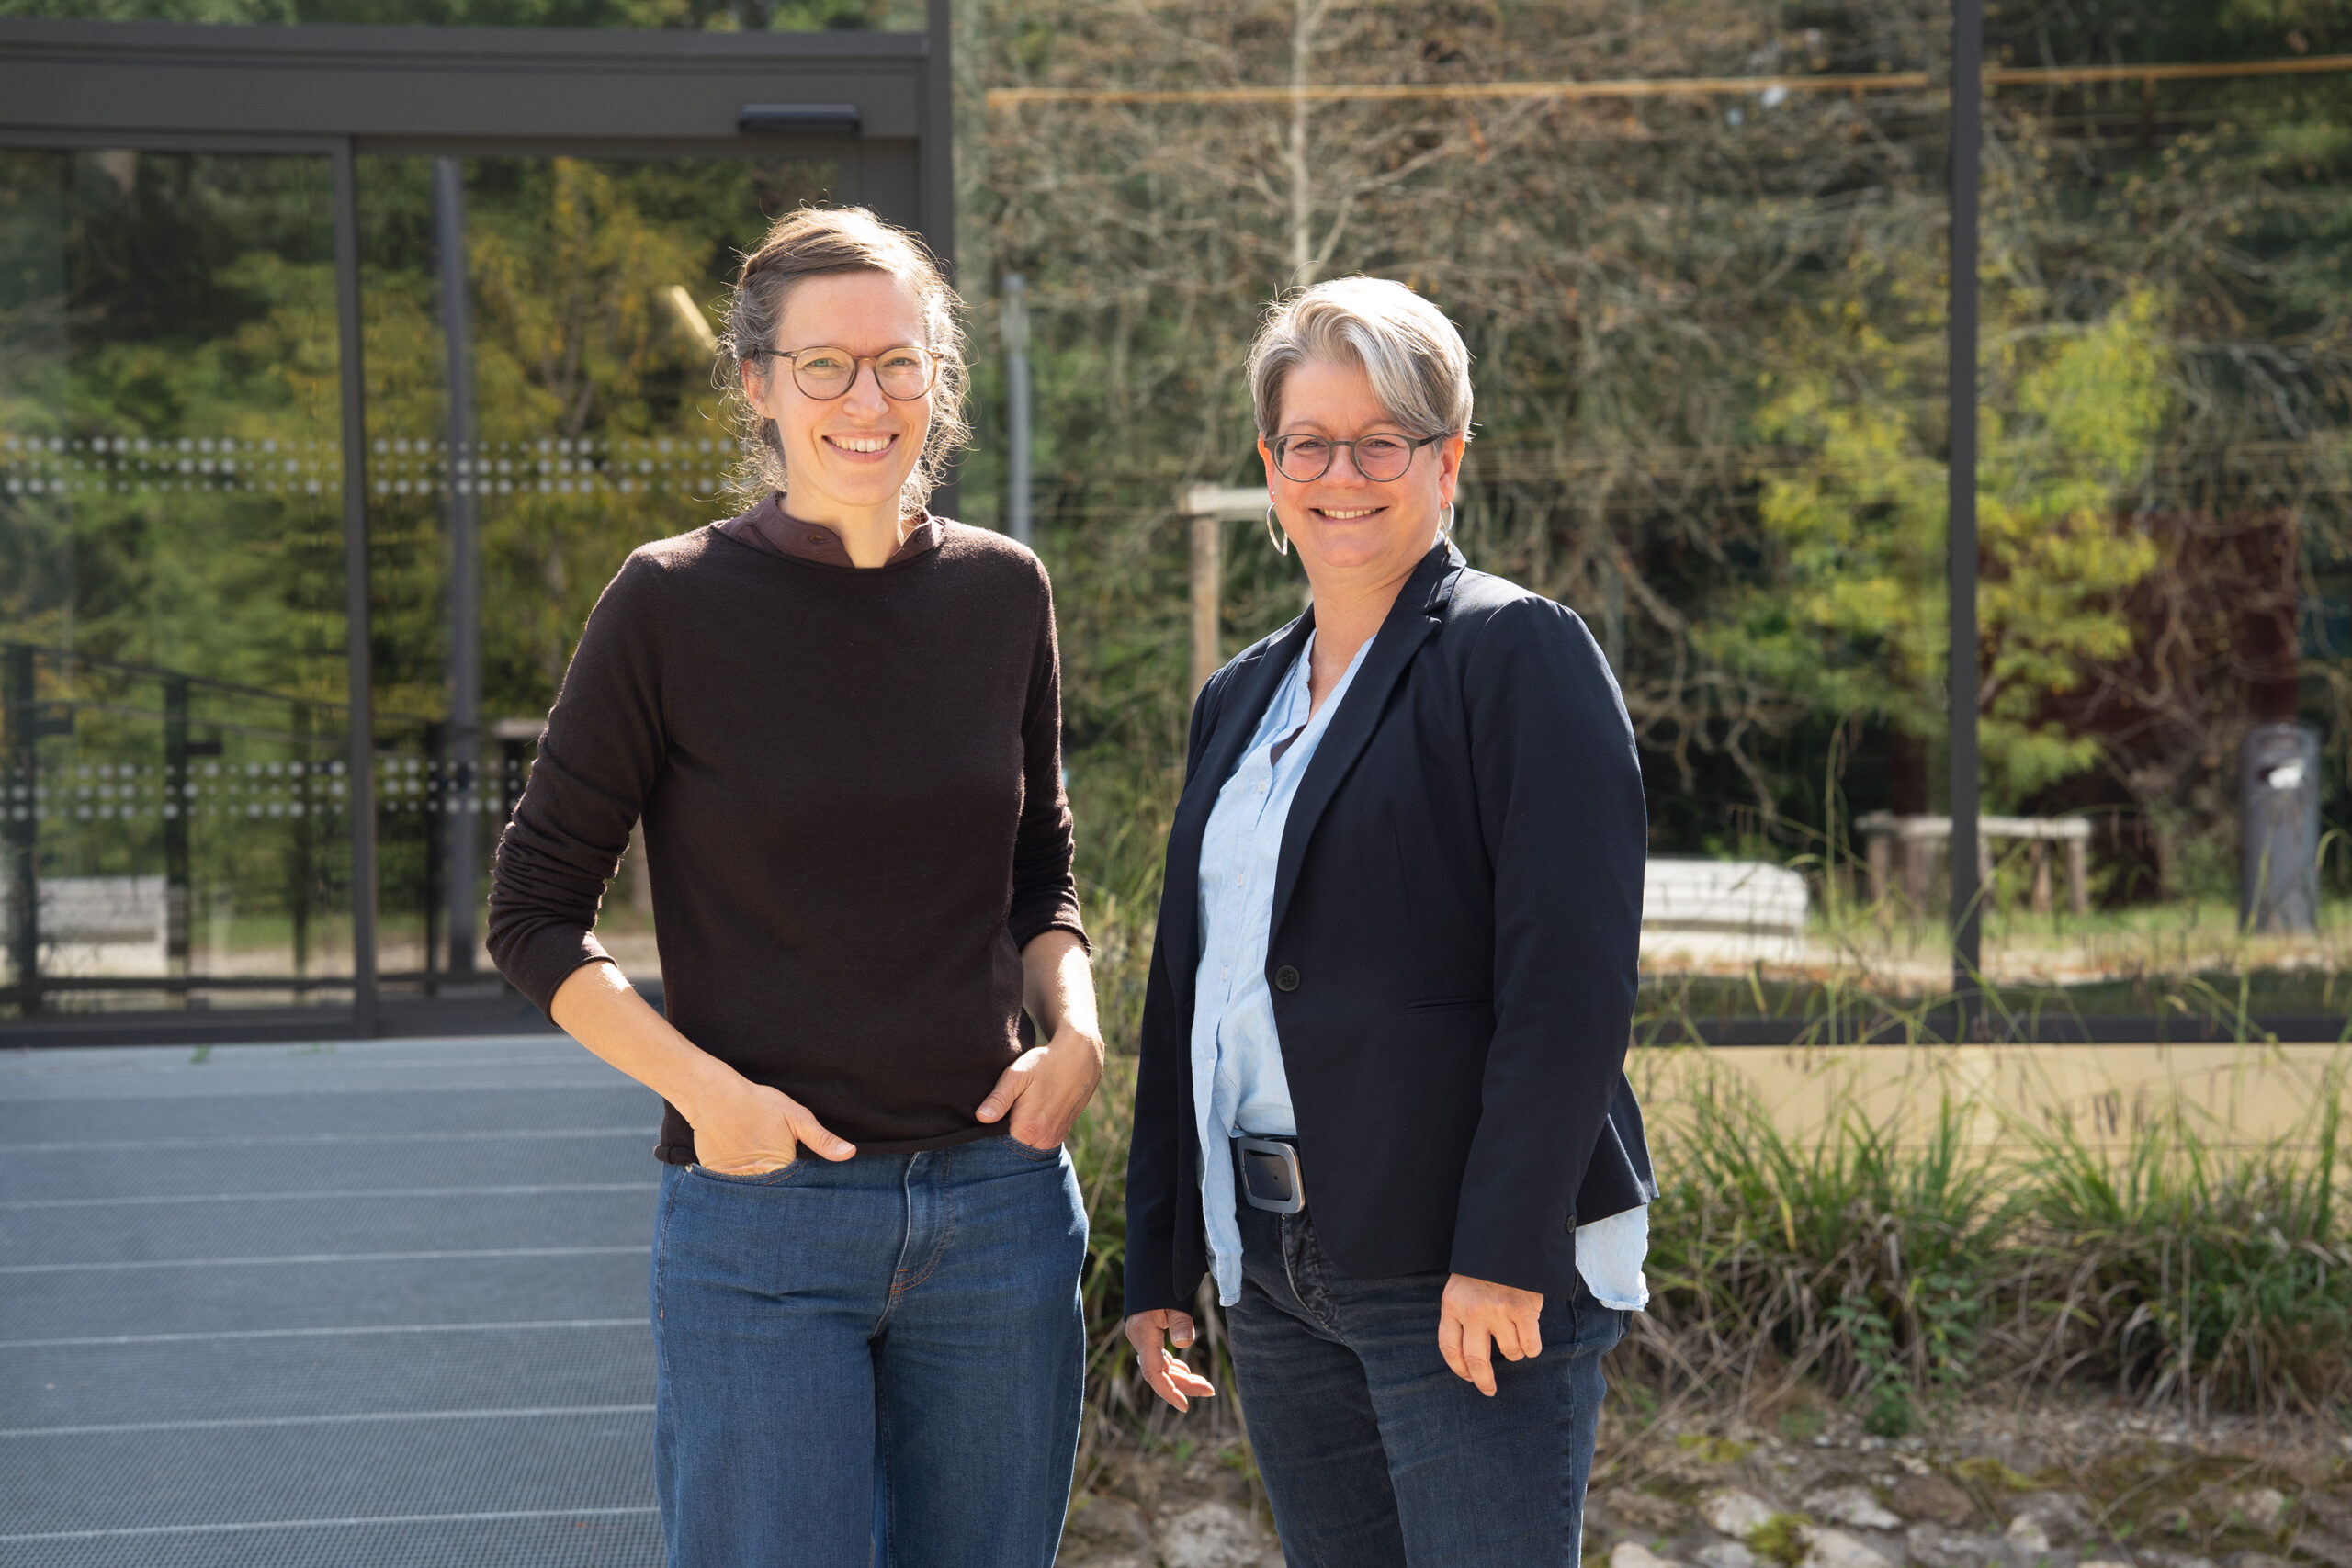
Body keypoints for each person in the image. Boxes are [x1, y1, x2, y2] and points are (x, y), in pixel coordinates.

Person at [486, 205, 1102, 1568]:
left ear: (938, 381)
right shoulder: (669, 605)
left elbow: (1038, 875)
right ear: (759, 385)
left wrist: (1080, 1030)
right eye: (824, 365)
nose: (865, 398)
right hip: (763, 1221)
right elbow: (529, 916)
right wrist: (706, 1094)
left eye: (899, 362)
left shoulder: (1005, 595)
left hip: (997, 1214)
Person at [1122, 276, 1657, 1567]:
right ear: (1269, 461)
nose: (1341, 472)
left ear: (1447, 461)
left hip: (1454, 1266)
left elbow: (1569, 985)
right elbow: (1191, 991)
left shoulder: (1514, 651)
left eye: (1383, 441)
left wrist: (1506, 1250)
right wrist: (1161, 1259)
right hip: (1278, 1267)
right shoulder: (1239, 696)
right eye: (1310, 441)